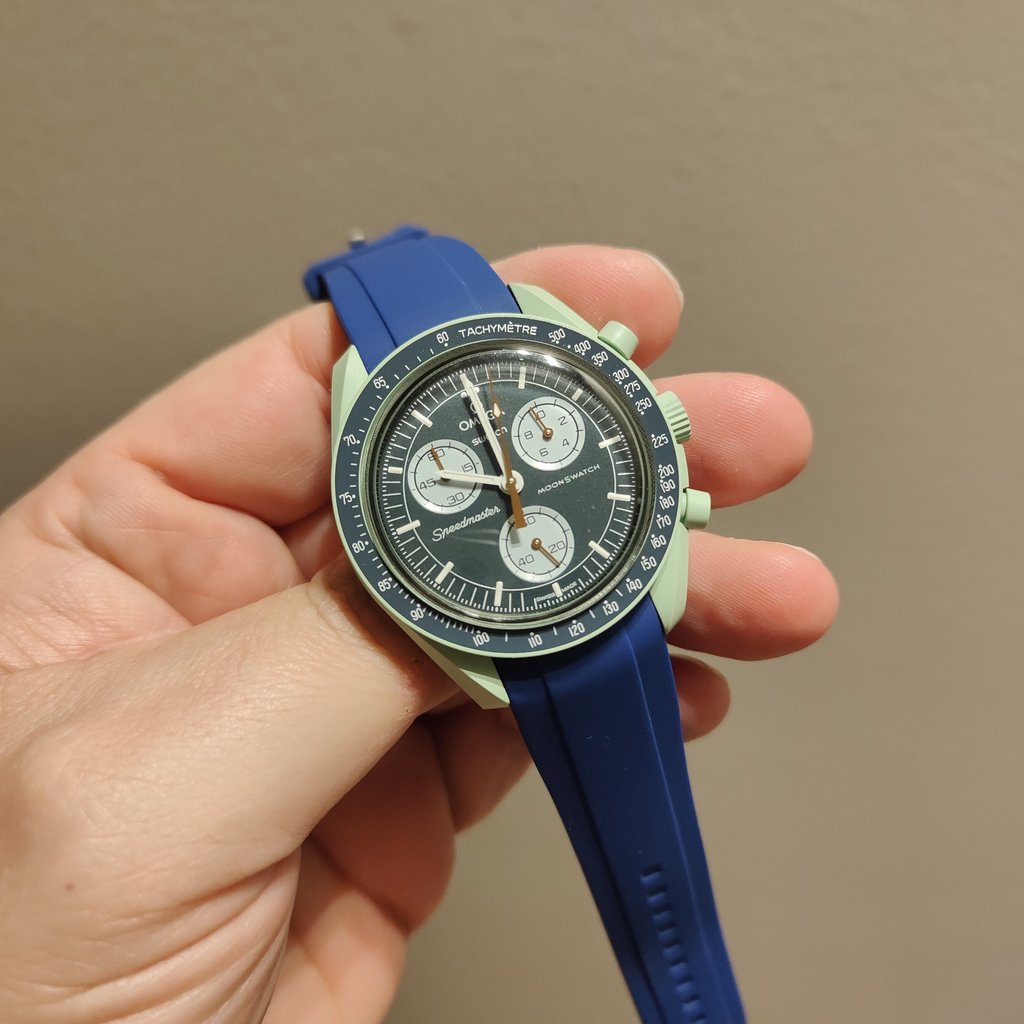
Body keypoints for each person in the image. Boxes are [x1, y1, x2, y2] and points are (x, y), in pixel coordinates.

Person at [0, 244, 837, 1023]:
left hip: (604, 593)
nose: (510, 484)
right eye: (478, 477)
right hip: (503, 615)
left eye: (532, 450)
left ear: (659, 433)